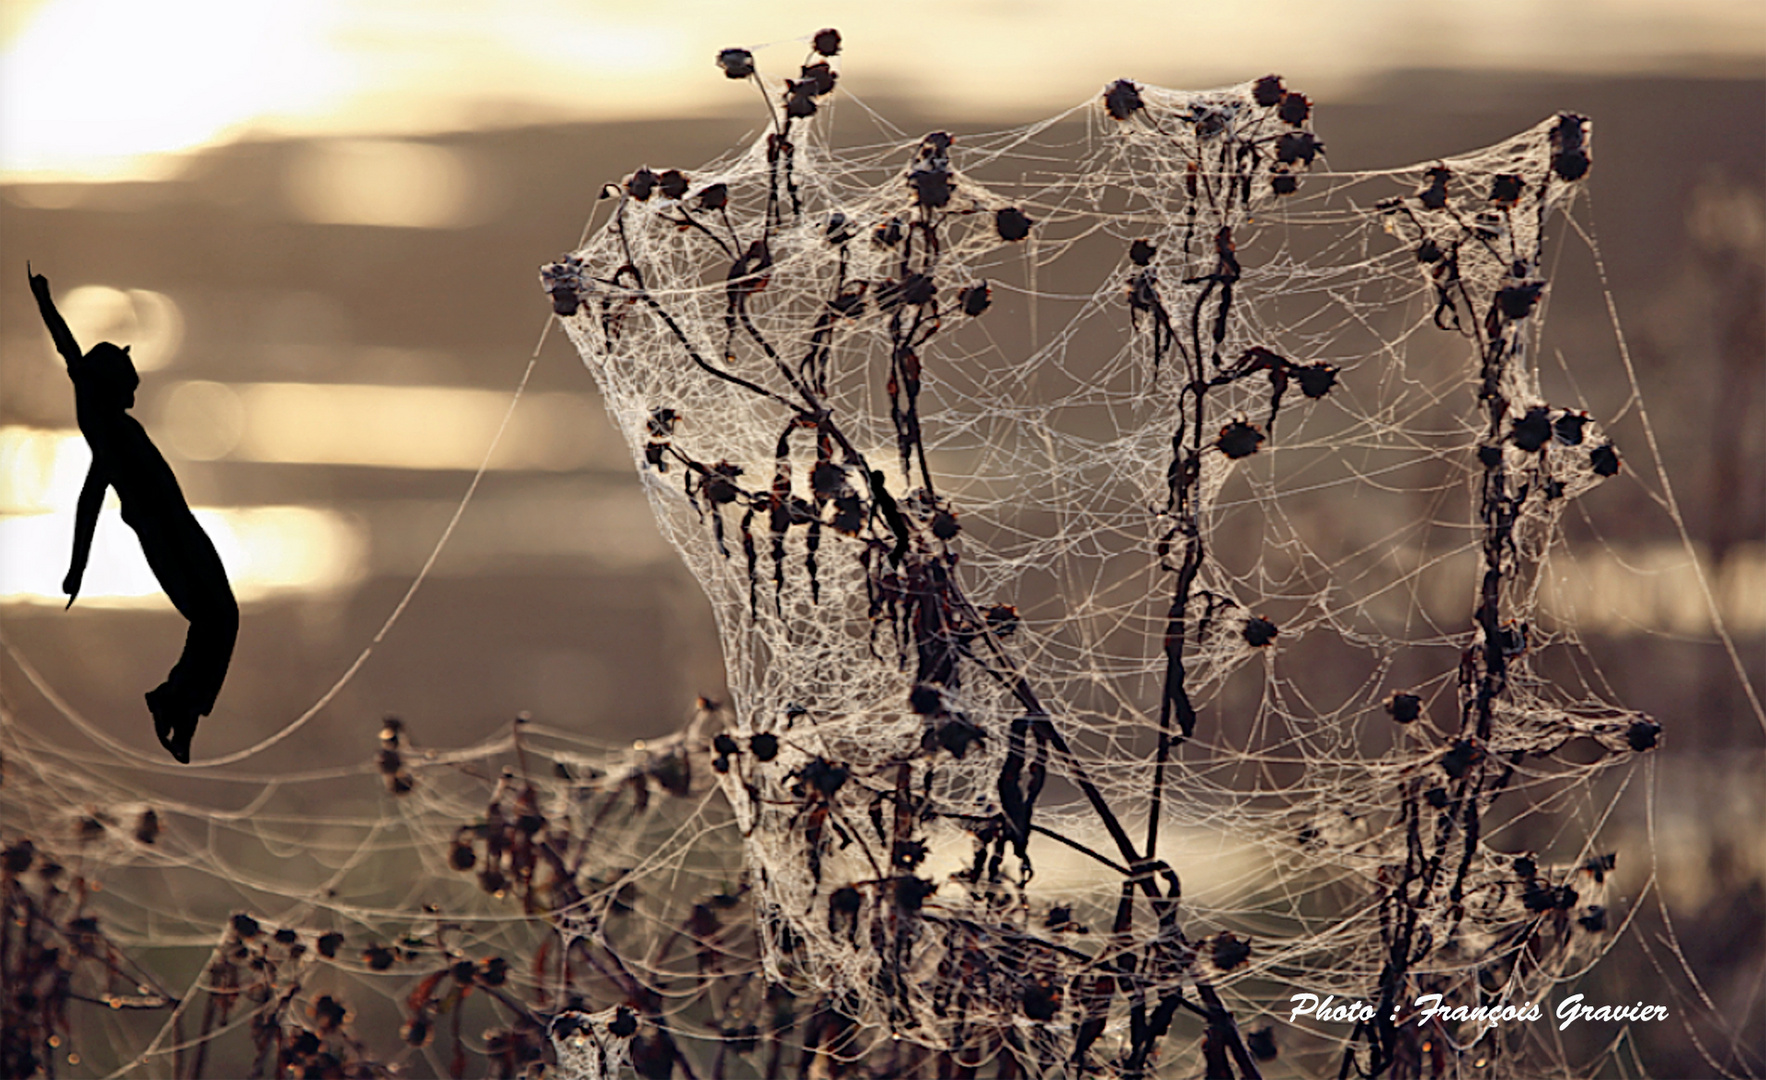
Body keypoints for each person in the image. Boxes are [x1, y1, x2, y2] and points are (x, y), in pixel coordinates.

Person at [29, 266, 237, 763]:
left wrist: (45, 300)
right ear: (109, 385)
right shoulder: (107, 432)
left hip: (182, 525)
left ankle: (178, 704)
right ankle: (175, 705)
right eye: (129, 382)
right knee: (213, 619)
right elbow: (89, 498)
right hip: (165, 533)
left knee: (223, 617)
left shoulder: (111, 419)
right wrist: (76, 566)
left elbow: (70, 352)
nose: (135, 391)